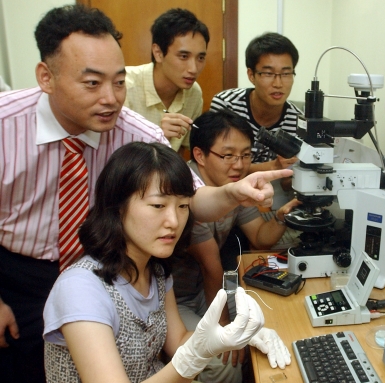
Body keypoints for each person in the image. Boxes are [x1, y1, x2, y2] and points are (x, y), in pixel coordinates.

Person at [0, 5, 291, 383]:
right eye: (93, 83)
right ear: (46, 77)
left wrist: (232, 192)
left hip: (110, 262)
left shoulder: (137, 134)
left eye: (119, 82)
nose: (111, 98)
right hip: (18, 270)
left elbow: (190, 198)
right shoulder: (7, 125)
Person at [43, 141, 269, 382]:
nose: (173, 220)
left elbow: (179, 341)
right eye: (158, 205)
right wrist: (191, 358)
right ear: (117, 207)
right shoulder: (80, 288)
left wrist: (233, 336)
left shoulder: (154, 269)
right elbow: (184, 355)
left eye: (183, 206)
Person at [171, 109, 297, 382]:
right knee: (224, 361)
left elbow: (260, 237)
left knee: (269, 321)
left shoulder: (234, 186)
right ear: (200, 155)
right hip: (177, 299)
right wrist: (223, 329)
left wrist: (284, 215)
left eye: (245, 155)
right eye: (228, 155)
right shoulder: (189, 195)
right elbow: (211, 267)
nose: (239, 165)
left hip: (208, 292)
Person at [210, 32, 302, 174]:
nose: (278, 83)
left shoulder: (298, 120)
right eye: (268, 73)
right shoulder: (227, 105)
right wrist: (272, 167)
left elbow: (290, 180)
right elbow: (216, 166)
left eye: (286, 74)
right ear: (251, 75)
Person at [124, 8, 207, 153]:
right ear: (158, 53)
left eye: (200, 58)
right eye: (183, 56)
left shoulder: (193, 92)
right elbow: (113, 159)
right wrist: (158, 137)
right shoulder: (124, 85)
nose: (193, 69)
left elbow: (181, 151)